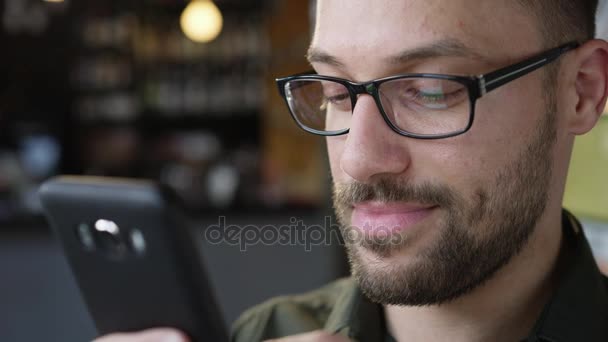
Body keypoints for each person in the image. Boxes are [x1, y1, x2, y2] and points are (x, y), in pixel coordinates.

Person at [96, 0, 608, 341]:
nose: (357, 158)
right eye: (336, 91)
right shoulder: (263, 332)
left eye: (431, 90)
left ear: (581, 91)